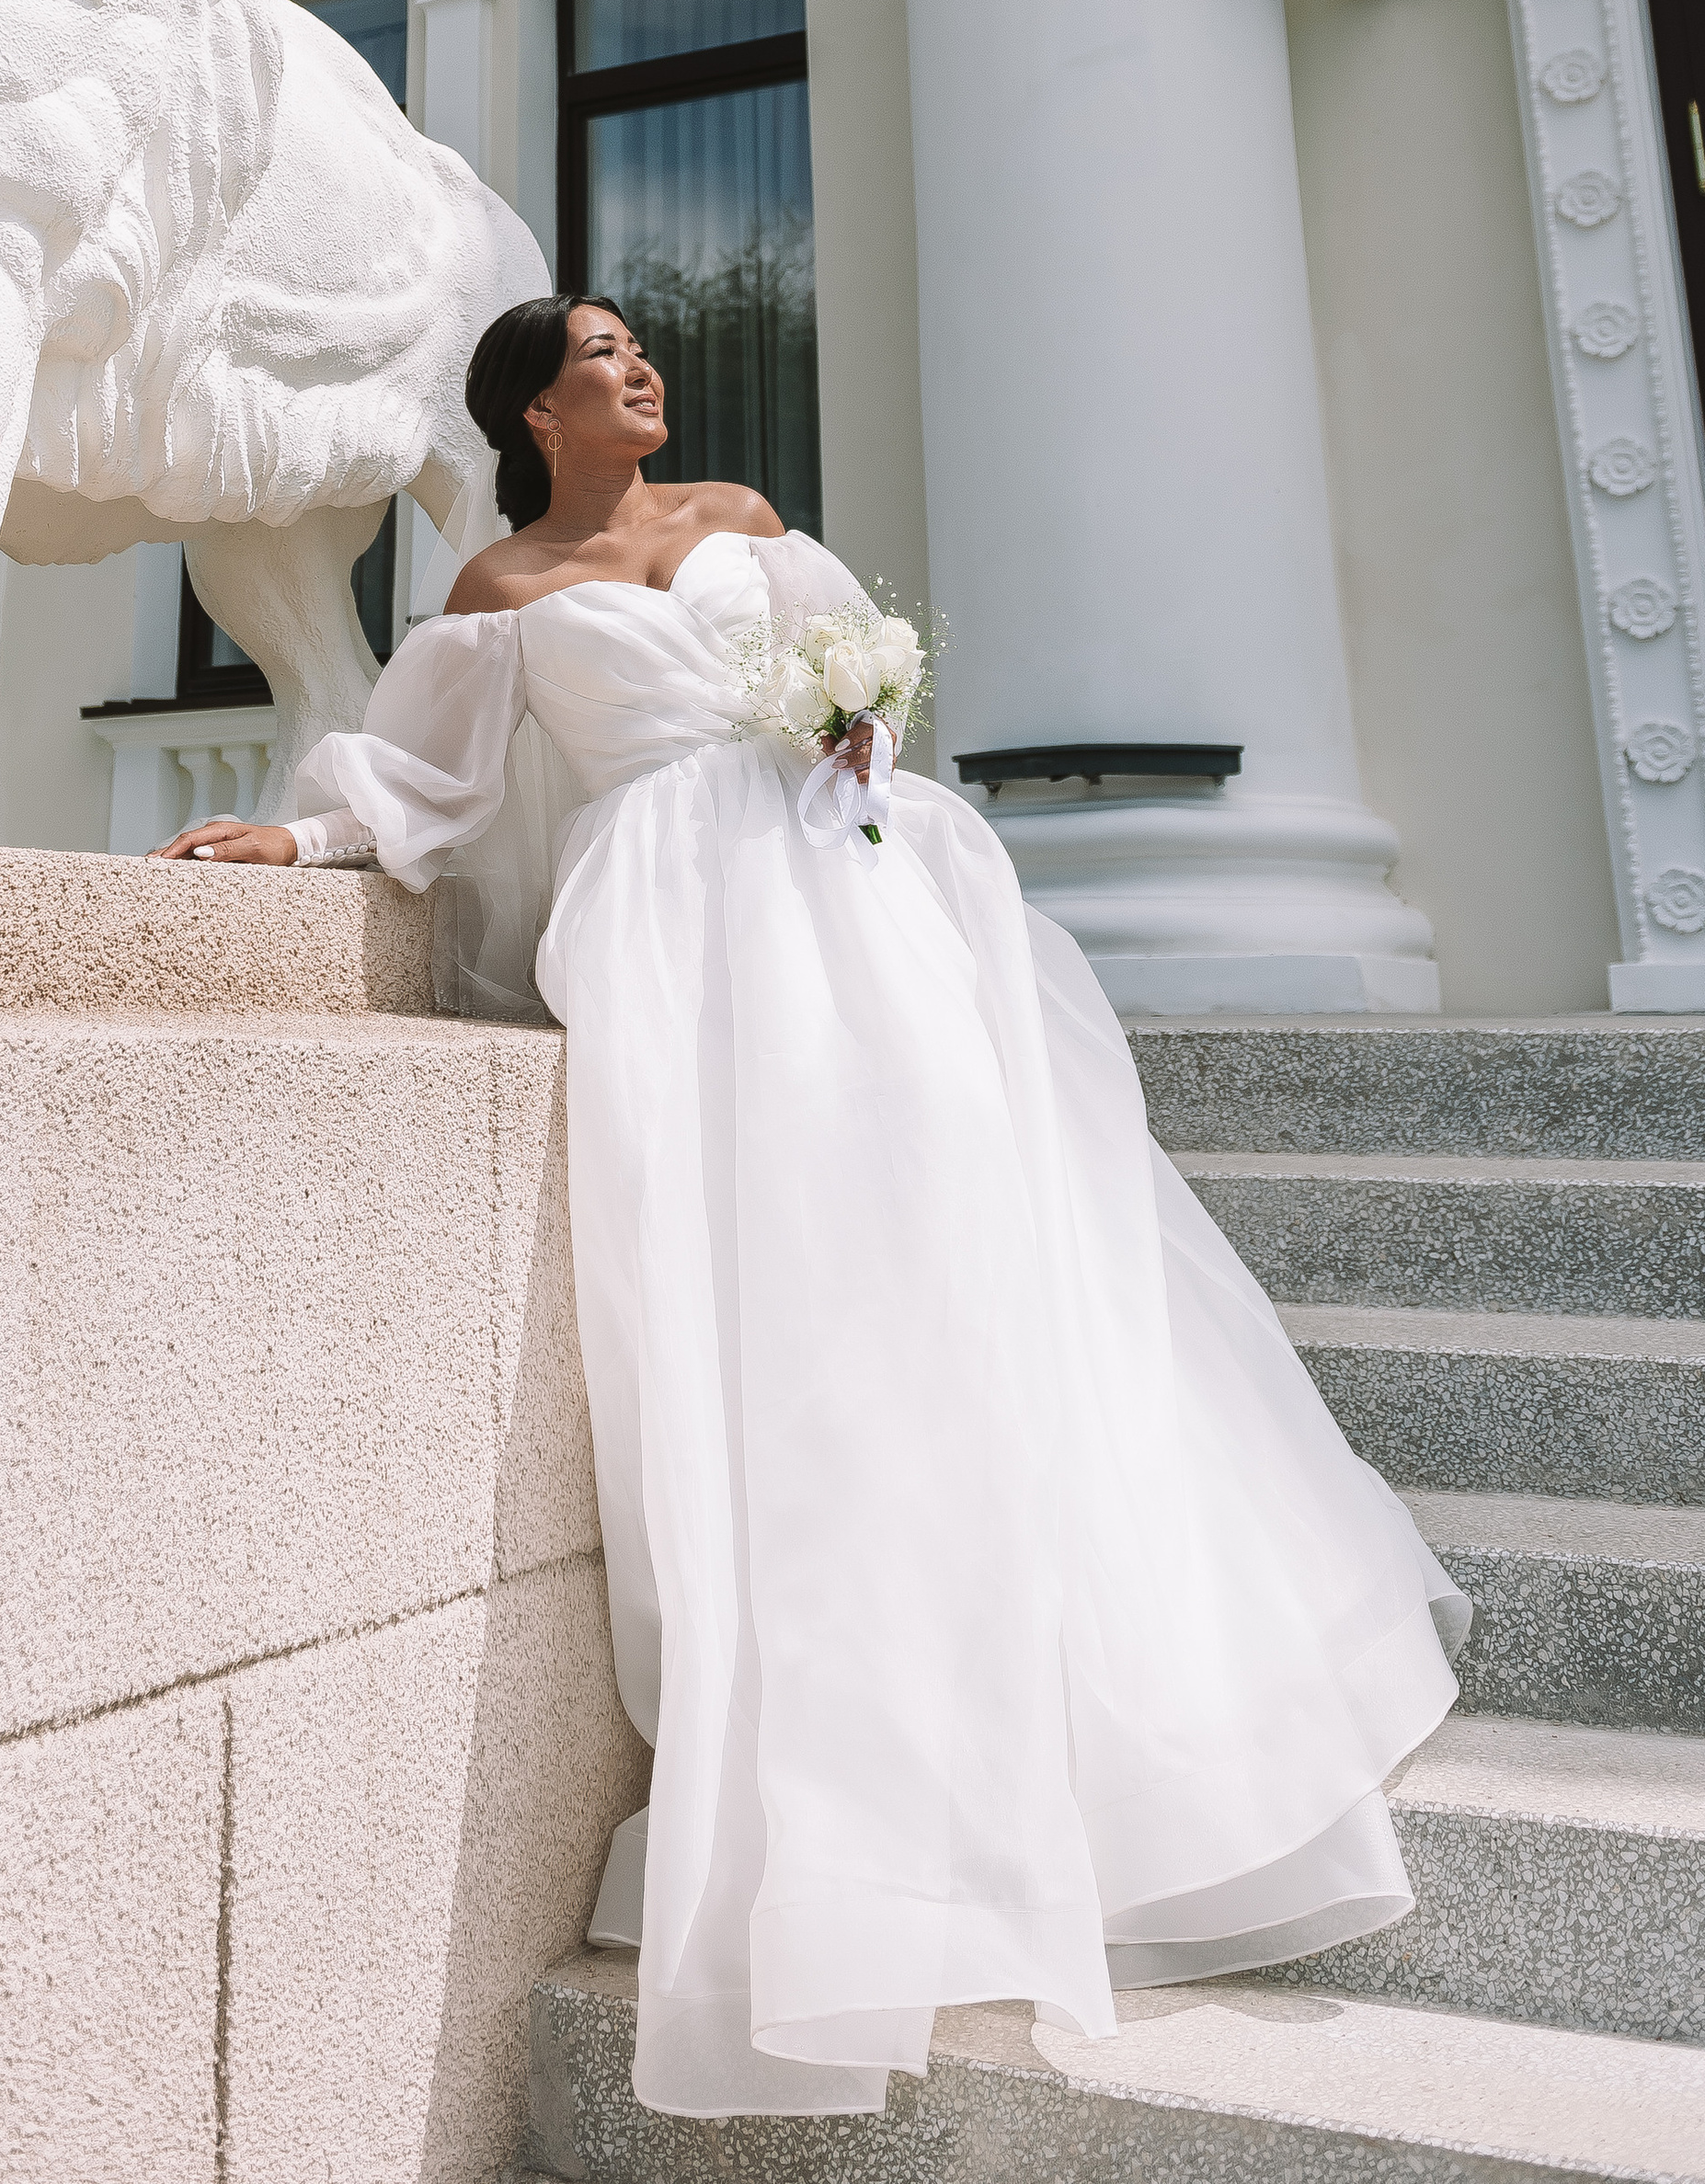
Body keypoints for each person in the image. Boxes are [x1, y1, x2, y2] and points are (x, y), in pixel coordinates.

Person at [156, 293, 1465, 2121]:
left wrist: (857, 725)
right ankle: (852, 1793)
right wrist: (298, 839)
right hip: (676, 943)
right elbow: (427, 786)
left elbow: (864, 678)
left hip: (851, 896)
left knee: (946, 1251)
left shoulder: (745, 521)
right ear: (530, 408)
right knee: (780, 1319)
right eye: (596, 355)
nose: (634, 369)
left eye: (635, 352)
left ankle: (1068, 1710)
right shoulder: (494, 595)